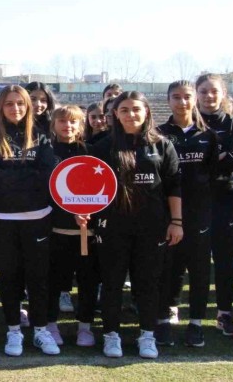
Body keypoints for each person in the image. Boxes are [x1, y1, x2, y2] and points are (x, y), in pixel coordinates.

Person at [79, 91, 182, 359]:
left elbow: (174, 186)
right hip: (112, 227)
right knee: (111, 283)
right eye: (124, 110)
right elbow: (87, 186)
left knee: (148, 284)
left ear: (146, 111)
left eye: (136, 109)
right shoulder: (102, 147)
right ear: (115, 114)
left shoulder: (162, 145)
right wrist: (82, 212)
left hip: (152, 227)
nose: (130, 114)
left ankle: (147, 336)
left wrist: (176, 222)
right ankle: (111, 336)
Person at [0, 85, 59, 357]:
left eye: (21, 103)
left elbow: (48, 174)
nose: (16, 108)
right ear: (1, 107)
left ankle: (40, 330)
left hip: (38, 217)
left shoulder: (41, 135)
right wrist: (28, 176)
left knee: (39, 277)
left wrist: (13, 176)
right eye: (9, 103)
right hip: (1, 218)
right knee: (8, 277)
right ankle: (13, 330)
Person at [155, 81, 218, 348]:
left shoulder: (208, 136)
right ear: (168, 101)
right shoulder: (158, 134)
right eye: (176, 97)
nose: (182, 102)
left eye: (187, 97)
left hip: (198, 212)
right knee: (167, 267)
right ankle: (163, 320)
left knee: (199, 269)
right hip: (166, 213)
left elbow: (213, 175)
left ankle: (196, 324)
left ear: (195, 100)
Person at [195, 73, 233, 336]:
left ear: (223, 93)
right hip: (193, 200)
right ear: (196, 94)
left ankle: (224, 313)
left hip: (225, 199)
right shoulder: (188, 122)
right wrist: (217, 156)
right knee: (193, 259)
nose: (209, 96)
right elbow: (181, 163)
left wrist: (201, 160)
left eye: (214, 91)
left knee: (224, 259)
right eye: (203, 91)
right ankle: (189, 316)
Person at [46, 105, 98, 348]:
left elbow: (103, 189)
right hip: (55, 231)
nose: (68, 126)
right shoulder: (46, 152)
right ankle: (50, 324)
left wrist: (89, 211)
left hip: (87, 231)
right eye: (62, 121)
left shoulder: (92, 152)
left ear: (81, 125)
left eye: (73, 121)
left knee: (88, 281)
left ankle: (85, 327)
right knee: (54, 281)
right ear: (53, 125)